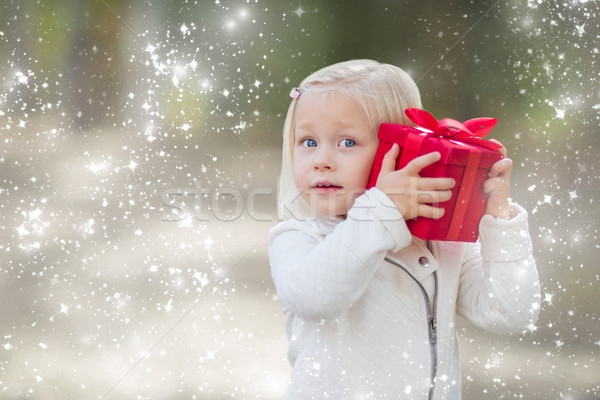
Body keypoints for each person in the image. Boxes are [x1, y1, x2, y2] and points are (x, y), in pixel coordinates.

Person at [268, 59, 540, 399]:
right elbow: (317, 299)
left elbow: (510, 314)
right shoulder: (298, 238)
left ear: (399, 149)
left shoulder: (440, 242)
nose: (321, 160)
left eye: (347, 142)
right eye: (308, 142)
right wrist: (382, 209)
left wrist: (500, 220)